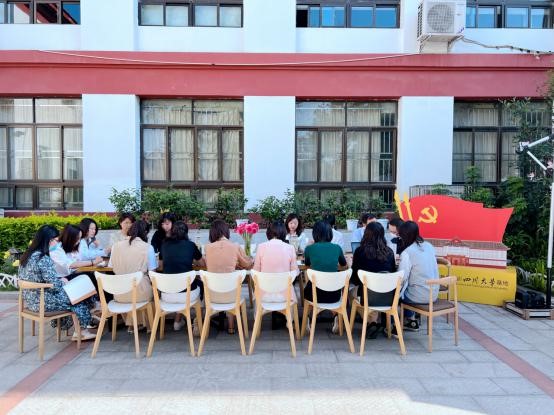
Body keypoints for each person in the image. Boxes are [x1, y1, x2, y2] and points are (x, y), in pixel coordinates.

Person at [18, 225, 96, 340]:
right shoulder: (43, 258)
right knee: (79, 297)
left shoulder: (27, 256)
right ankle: (82, 331)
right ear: (49, 240)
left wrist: (60, 280)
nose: (57, 243)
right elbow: (55, 286)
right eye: (56, 240)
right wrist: (63, 282)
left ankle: (76, 328)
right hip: (44, 301)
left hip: (31, 300)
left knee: (76, 296)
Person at [204, 219, 253, 334]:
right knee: (231, 285)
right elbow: (247, 264)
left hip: (212, 296)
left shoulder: (207, 247)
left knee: (223, 281)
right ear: (226, 231)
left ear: (212, 233)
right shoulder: (235, 246)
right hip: (231, 296)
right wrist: (249, 259)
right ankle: (231, 326)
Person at [109, 220, 157, 331]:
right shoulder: (147, 247)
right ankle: (149, 326)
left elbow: (111, 266)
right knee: (152, 290)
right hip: (140, 293)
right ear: (145, 233)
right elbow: (153, 273)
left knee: (135, 288)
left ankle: (133, 325)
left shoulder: (115, 246)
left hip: (119, 294)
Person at [351, 222, 396, 338]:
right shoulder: (389, 252)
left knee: (350, 293)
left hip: (367, 295)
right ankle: (377, 322)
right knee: (372, 291)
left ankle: (371, 322)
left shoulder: (360, 251)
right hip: (387, 295)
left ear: (366, 234)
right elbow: (392, 273)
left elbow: (354, 279)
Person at [161, 221, 205, 332]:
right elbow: (202, 264)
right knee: (201, 284)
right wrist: (190, 261)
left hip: (166, 293)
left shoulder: (164, 245)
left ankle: (177, 321)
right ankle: (198, 322)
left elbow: (160, 265)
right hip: (186, 294)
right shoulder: (191, 245)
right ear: (186, 232)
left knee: (179, 282)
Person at [303, 220, 347, 333]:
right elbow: (343, 264)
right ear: (330, 233)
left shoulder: (309, 248)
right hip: (334, 295)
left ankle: (308, 317)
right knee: (330, 289)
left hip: (315, 294)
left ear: (315, 234)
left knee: (309, 289)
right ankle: (336, 316)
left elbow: (307, 263)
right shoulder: (337, 248)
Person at [397, 220, 440, 332]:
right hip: (433, 293)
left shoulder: (407, 252)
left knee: (395, 294)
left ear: (404, 236)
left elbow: (402, 277)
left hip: (419, 296)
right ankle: (411, 320)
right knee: (408, 287)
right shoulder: (429, 246)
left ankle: (394, 325)